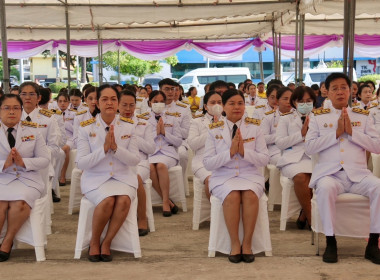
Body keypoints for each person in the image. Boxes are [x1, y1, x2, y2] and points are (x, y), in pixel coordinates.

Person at [305, 72, 380, 265]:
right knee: (326, 188)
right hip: (330, 174)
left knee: (378, 187)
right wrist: (336, 133)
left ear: (351, 91)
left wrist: (352, 133)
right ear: (327, 93)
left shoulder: (362, 116)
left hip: (358, 175)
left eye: (344, 88)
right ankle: (331, 242)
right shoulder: (317, 117)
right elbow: (309, 147)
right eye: (335, 88)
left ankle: (372, 244)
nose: (340, 92)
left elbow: (376, 146)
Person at [203, 89, 269, 263]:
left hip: (250, 175)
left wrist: (244, 152)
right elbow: (208, 163)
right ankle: (234, 244)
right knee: (231, 195)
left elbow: (264, 159)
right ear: (223, 107)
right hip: (223, 176)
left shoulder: (255, 127)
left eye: (240, 103)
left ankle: (247, 244)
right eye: (231, 103)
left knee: (250, 194)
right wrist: (230, 153)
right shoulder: (213, 129)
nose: (237, 107)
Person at [77, 84, 140, 262]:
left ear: (118, 102)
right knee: (107, 200)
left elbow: (135, 160)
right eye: (105, 99)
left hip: (123, 177)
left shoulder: (129, 126)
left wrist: (116, 148)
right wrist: (104, 150)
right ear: (97, 103)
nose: (109, 103)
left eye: (113, 99)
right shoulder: (85, 127)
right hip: (95, 179)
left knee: (123, 200)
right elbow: (81, 162)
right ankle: (95, 242)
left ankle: (107, 242)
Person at [0, 94, 50, 262]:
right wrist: (4, 164)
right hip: (2, 177)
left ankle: (7, 242)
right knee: (0, 203)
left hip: (27, 179)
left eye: (16, 108)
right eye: (7, 108)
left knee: (20, 202)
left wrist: (24, 162)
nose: (12, 112)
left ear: (21, 111)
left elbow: (44, 159)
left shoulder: (33, 130)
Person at [275, 86, 317, 229]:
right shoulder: (286, 119)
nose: (305, 104)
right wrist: (301, 134)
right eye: (301, 101)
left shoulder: (319, 117)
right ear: (294, 102)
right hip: (292, 159)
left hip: (314, 157)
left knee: (314, 179)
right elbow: (280, 143)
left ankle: (304, 214)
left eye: (308, 100)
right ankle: (312, 219)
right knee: (301, 178)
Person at [118, 90, 155, 236]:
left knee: (137, 178)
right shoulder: (112, 123)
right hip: (119, 162)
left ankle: (142, 218)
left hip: (140, 162)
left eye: (131, 105)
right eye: (124, 105)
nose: (128, 109)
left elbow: (151, 148)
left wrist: (132, 136)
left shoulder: (144, 124)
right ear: (117, 105)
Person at [147, 90, 182, 216]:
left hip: (168, 153)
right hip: (152, 153)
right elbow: (142, 142)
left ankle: (166, 203)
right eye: (155, 102)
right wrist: (156, 133)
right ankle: (167, 200)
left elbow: (178, 141)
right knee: (150, 167)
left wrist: (164, 133)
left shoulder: (172, 118)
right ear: (149, 102)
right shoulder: (144, 119)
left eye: (161, 101)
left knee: (161, 165)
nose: (158, 104)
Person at [188, 91, 223, 200]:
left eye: (219, 102)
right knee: (210, 179)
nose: (216, 105)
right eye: (212, 102)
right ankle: (216, 212)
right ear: (205, 107)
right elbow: (193, 144)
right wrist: (212, 129)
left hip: (223, 158)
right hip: (202, 161)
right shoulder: (197, 122)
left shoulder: (227, 121)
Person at [261, 87, 293, 166]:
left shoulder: (297, 115)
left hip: (296, 148)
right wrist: (281, 137)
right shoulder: (269, 117)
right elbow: (263, 138)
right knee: (288, 162)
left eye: (291, 99)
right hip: (276, 150)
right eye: (285, 99)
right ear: (278, 101)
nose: (289, 102)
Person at [56, 92, 76, 186]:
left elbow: (75, 130)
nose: (62, 103)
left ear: (68, 103)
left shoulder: (73, 114)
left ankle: (62, 175)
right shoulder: (53, 114)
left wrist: (64, 123)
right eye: (60, 101)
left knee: (65, 149)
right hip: (57, 137)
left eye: (65, 101)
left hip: (70, 138)